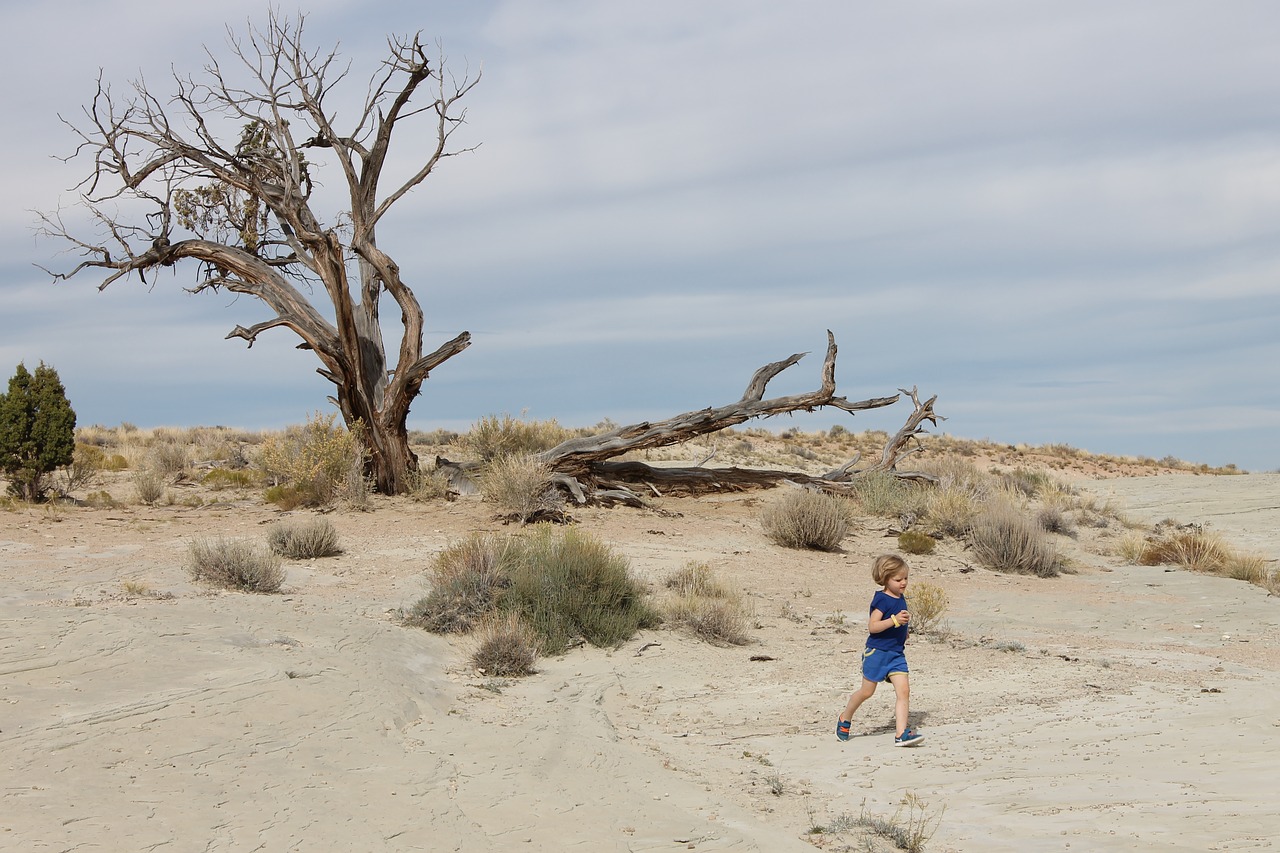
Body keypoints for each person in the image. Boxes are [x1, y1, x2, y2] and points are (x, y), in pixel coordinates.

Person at [836, 554, 925, 746]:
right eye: (898, 579)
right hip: (877, 653)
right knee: (867, 692)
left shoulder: (901, 598)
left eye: (906, 578)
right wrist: (894, 621)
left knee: (904, 691)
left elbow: (900, 620)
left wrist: (904, 631)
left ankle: (901, 733)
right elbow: (873, 627)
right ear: (885, 579)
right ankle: (845, 718)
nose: (903, 583)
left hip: (896, 654)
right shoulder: (882, 599)